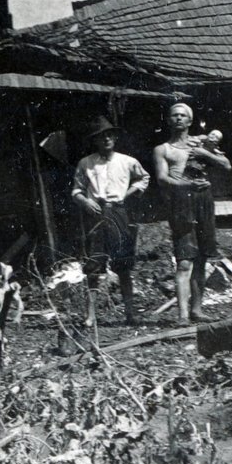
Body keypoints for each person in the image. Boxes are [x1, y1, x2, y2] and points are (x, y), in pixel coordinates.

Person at [152, 102, 231, 322]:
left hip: (204, 201)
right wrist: (188, 185)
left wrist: (204, 153)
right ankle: (183, 315)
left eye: (183, 115)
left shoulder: (201, 143)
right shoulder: (163, 149)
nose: (178, 118)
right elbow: (162, 179)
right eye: (174, 115)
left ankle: (197, 309)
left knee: (202, 257)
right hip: (181, 202)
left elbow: (226, 165)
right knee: (185, 259)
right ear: (168, 120)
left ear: (189, 121)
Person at [70, 115, 150, 325]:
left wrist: (129, 193)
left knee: (123, 264)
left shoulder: (127, 161)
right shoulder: (86, 163)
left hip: (119, 213)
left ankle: (130, 314)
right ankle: (90, 316)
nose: (106, 139)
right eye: (101, 137)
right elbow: (76, 191)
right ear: (95, 141)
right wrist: (86, 202)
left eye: (109, 135)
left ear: (115, 138)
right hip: (95, 214)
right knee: (94, 265)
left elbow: (144, 178)